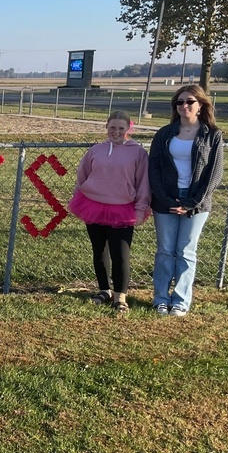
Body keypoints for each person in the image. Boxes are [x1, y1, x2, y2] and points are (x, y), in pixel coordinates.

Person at [148, 84, 224, 316]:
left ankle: (180, 301)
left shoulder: (212, 135)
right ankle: (161, 299)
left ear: (200, 105)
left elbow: (215, 174)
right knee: (165, 251)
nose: (184, 106)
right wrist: (166, 199)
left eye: (189, 101)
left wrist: (191, 202)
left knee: (186, 251)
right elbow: (154, 169)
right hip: (165, 201)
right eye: (179, 102)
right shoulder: (164, 134)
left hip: (197, 203)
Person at [67, 111, 150, 314]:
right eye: (112, 127)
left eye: (121, 128)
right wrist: (80, 196)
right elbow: (82, 175)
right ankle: (104, 290)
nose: (116, 132)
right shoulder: (96, 150)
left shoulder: (138, 152)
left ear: (128, 129)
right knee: (99, 250)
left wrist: (141, 209)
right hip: (94, 205)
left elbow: (143, 183)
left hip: (123, 209)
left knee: (120, 254)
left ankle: (120, 296)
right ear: (106, 127)